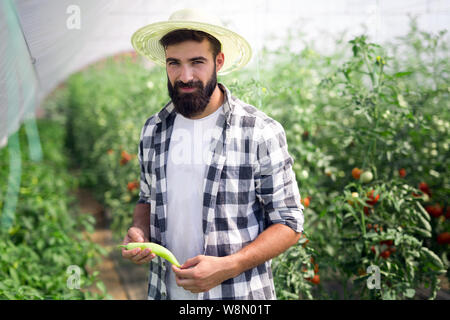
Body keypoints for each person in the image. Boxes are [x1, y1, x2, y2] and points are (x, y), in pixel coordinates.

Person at [121, 8, 304, 300]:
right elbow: (146, 199)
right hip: (165, 293)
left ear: (218, 61)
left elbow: (289, 223)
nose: (185, 75)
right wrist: (140, 232)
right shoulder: (153, 130)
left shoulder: (258, 132)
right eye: (174, 63)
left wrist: (230, 266)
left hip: (237, 296)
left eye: (197, 62)